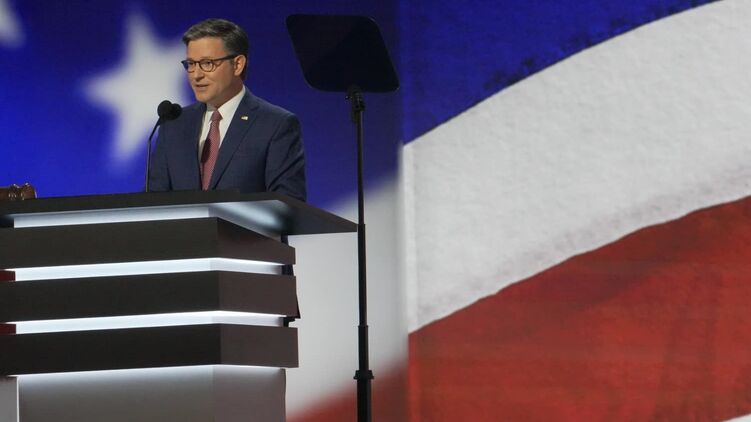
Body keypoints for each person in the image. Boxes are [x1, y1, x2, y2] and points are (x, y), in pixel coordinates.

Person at [149, 18, 306, 201]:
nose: (196, 75)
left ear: (237, 65)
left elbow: (287, 203)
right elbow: (153, 200)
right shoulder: (174, 124)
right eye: (191, 64)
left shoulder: (275, 125)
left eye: (207, 63)